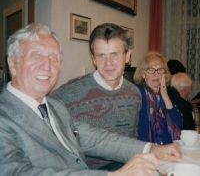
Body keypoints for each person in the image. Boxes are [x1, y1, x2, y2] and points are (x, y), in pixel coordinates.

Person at [0, 23, 182, 176]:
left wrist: (152, 149)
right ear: (12, 63)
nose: (46, 66)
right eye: (35, 55)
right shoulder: (4, 116)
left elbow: (95, 139)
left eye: (53, 58)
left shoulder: (53, 107)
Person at [50, 23, 142, 169]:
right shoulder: (66, 95)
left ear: (127, 56)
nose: (108, 63)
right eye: (101, 56)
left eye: (115, 54)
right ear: (93, 59)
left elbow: (133, 137)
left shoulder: (134, 93)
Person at [133, 51, 182, 145]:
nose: (156, 74)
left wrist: (165, 95)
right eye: (151, 70)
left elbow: (178, 125)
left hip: (169, 148)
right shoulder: (138, 93)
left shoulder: (167, 94)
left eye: (160, 69)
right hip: (148, 150)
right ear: (143, 74)